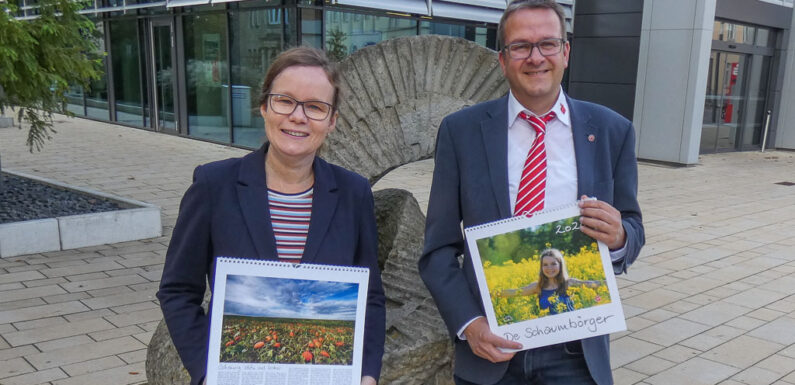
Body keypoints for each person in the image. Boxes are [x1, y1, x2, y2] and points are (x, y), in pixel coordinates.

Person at [418, 1, 644, 384]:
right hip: (489, 348)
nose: (535, 57)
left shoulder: (611, 130)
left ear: (566, 52)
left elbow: (632, 229)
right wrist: (469, 323)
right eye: (520, 46)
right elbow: (437, 249)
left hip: (575, 354)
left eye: (548, 44)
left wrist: (620, 236)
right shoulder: (461, 132)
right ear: (503, 59)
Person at [157, 47, 385, 385]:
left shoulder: (354, 194)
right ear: (264, 107)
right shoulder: (213, 185)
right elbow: (177, 291)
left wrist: (367, 374)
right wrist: (209, 371)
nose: (298, 116)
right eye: (285, 101)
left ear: (332, 120)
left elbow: (371, 298)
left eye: (315, 107)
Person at [495, 248, 604, 316]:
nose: (549, 268)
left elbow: (593, 284)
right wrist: (492, 293)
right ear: (541, 267)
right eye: (545, 265)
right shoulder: (538, 286)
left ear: (560, 265)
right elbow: (514, 292)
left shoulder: (569, 283)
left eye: (553, 264)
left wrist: (606, 283)